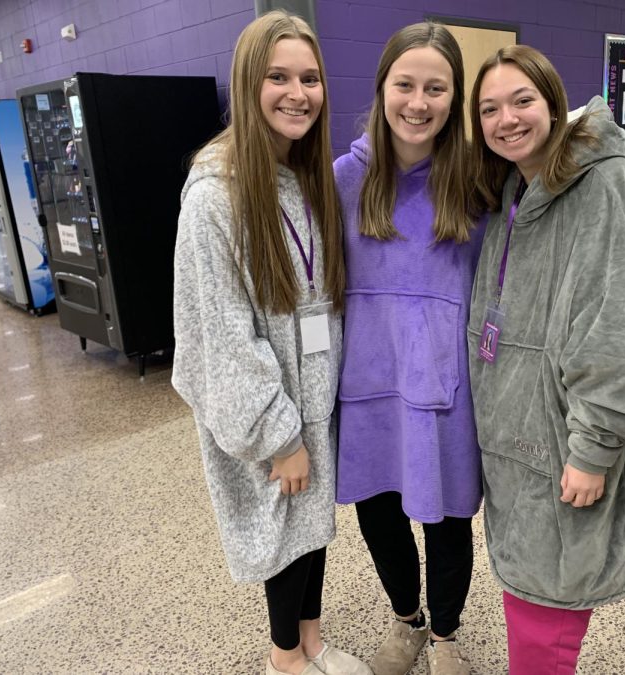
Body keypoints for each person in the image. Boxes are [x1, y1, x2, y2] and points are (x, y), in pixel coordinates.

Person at [467, 45, 625, 674]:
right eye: (489, 108)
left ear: (553, 102)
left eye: (522, 100)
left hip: (566, 446)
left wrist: (593, 449)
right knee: (530, 601)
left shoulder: (601, 183)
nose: (506, 119)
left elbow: (621, 331)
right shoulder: (516, 184)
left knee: (546, 625)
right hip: (522, 447)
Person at [171, 12, 370, 675]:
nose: (298, 93)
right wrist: (278, 435)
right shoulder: (215, 194)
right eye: (278, 77)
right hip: (267, 410)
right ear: (247, 82)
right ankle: (285, 660)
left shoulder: (303, 174)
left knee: (311, 530)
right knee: (281, 534)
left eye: (310, 78)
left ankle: (311, 640)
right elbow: (221, 335)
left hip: (311, 391)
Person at [333, 22, 483, 675]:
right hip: (367, 380)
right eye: (406, 85)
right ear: (382, 88)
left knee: (447, 519)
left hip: (445, 385)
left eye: (436, 88)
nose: (418, 103)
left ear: (454, 98)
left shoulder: (479, 180)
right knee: (381, 515)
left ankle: (446, 633)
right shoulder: (341, 179)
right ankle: (407, 620)